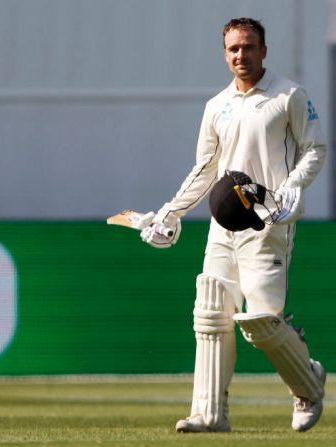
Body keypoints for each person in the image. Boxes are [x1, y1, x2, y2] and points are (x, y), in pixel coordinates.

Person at [139, 17, 327, 432]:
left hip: (268, 221)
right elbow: (205, 169)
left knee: (261, 322)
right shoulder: (216, 106)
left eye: (248, 47)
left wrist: (294, 185)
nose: (241, 55)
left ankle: (309, 385)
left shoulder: (288, 95)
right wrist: (171, 212)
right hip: (222, 227)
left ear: (264, 50)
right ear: (225, 54)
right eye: (233, 49)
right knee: (211, 308)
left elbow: (315, 148)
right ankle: (209, 413)